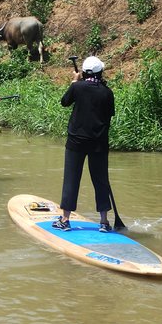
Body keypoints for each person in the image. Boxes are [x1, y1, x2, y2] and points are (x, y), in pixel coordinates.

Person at [52, 56, 115, 232]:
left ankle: (65, 220)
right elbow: (109, 116)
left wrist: (74, 81)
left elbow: (64, 102)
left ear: (84, 73)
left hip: (76, 142)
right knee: (101, 180)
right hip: (99, 143)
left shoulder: (77, 87)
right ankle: (104, 221)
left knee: (71, 179)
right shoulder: (107, 92)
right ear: (100, 72)